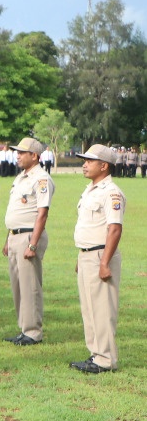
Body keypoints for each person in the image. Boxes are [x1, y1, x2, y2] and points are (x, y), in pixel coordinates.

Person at [71, 145, 124, 373]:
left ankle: (105, 359)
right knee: (90, 309)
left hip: (102, 255)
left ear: (104, 166)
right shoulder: (90, 190)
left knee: (102, 309)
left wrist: (103, 263)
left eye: (90, 161)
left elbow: (114, 229)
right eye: (84, 160)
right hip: (87, 254)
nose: (84, 164)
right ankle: (95, 354)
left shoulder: (111, 193)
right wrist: (80, 255)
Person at [2, 137, 54, 346]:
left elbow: (42, 214)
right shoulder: (21, 178)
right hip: (15, 235)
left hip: (28, 236)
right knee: (18, 285)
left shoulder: (41, 179)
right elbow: (15, 211)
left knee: (30, 285)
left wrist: (32, 244)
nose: (18, 155)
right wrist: (8, 238)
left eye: (22, 152)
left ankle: (33, 332)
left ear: (34, 155)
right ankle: (24, 328)